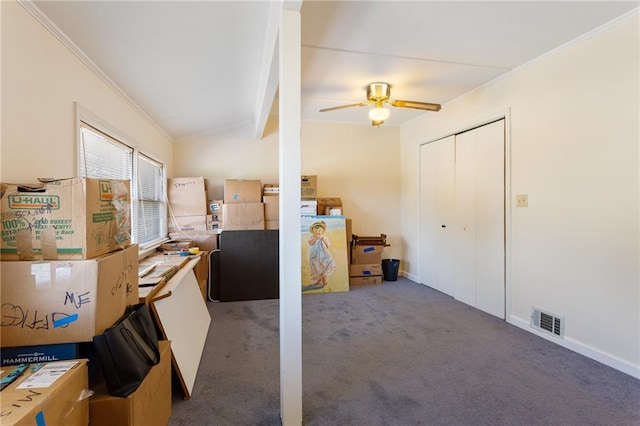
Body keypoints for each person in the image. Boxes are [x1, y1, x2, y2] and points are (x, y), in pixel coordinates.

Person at [308, 221, 336, 287]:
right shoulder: (313, 237)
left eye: (320, 230)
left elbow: (327, 246)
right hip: (315, 254)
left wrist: (323, 240)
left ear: (322, 231)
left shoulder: (324, 238)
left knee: (323, 265)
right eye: (316, 230)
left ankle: (324, 279)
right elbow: (310, 243)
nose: (318, 232)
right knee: (316, 266)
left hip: (324, 254)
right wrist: (315, 238)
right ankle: (319, 280)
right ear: (313, 231)